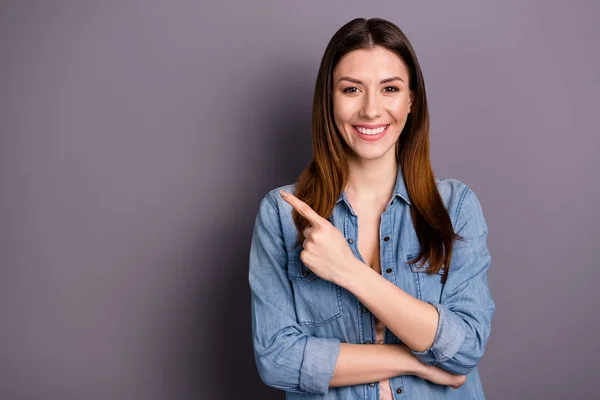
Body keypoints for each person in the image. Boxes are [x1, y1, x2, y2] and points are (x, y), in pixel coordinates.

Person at [248, 17, 495, 399]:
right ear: (329, 100)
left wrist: (349, 271)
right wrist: (414, 360)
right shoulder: (281, 214)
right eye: (351, 90)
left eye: (390, 88)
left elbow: (464, 348)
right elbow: (277, 358)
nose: (371, 109)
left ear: (411, 100)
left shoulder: (455, 207)